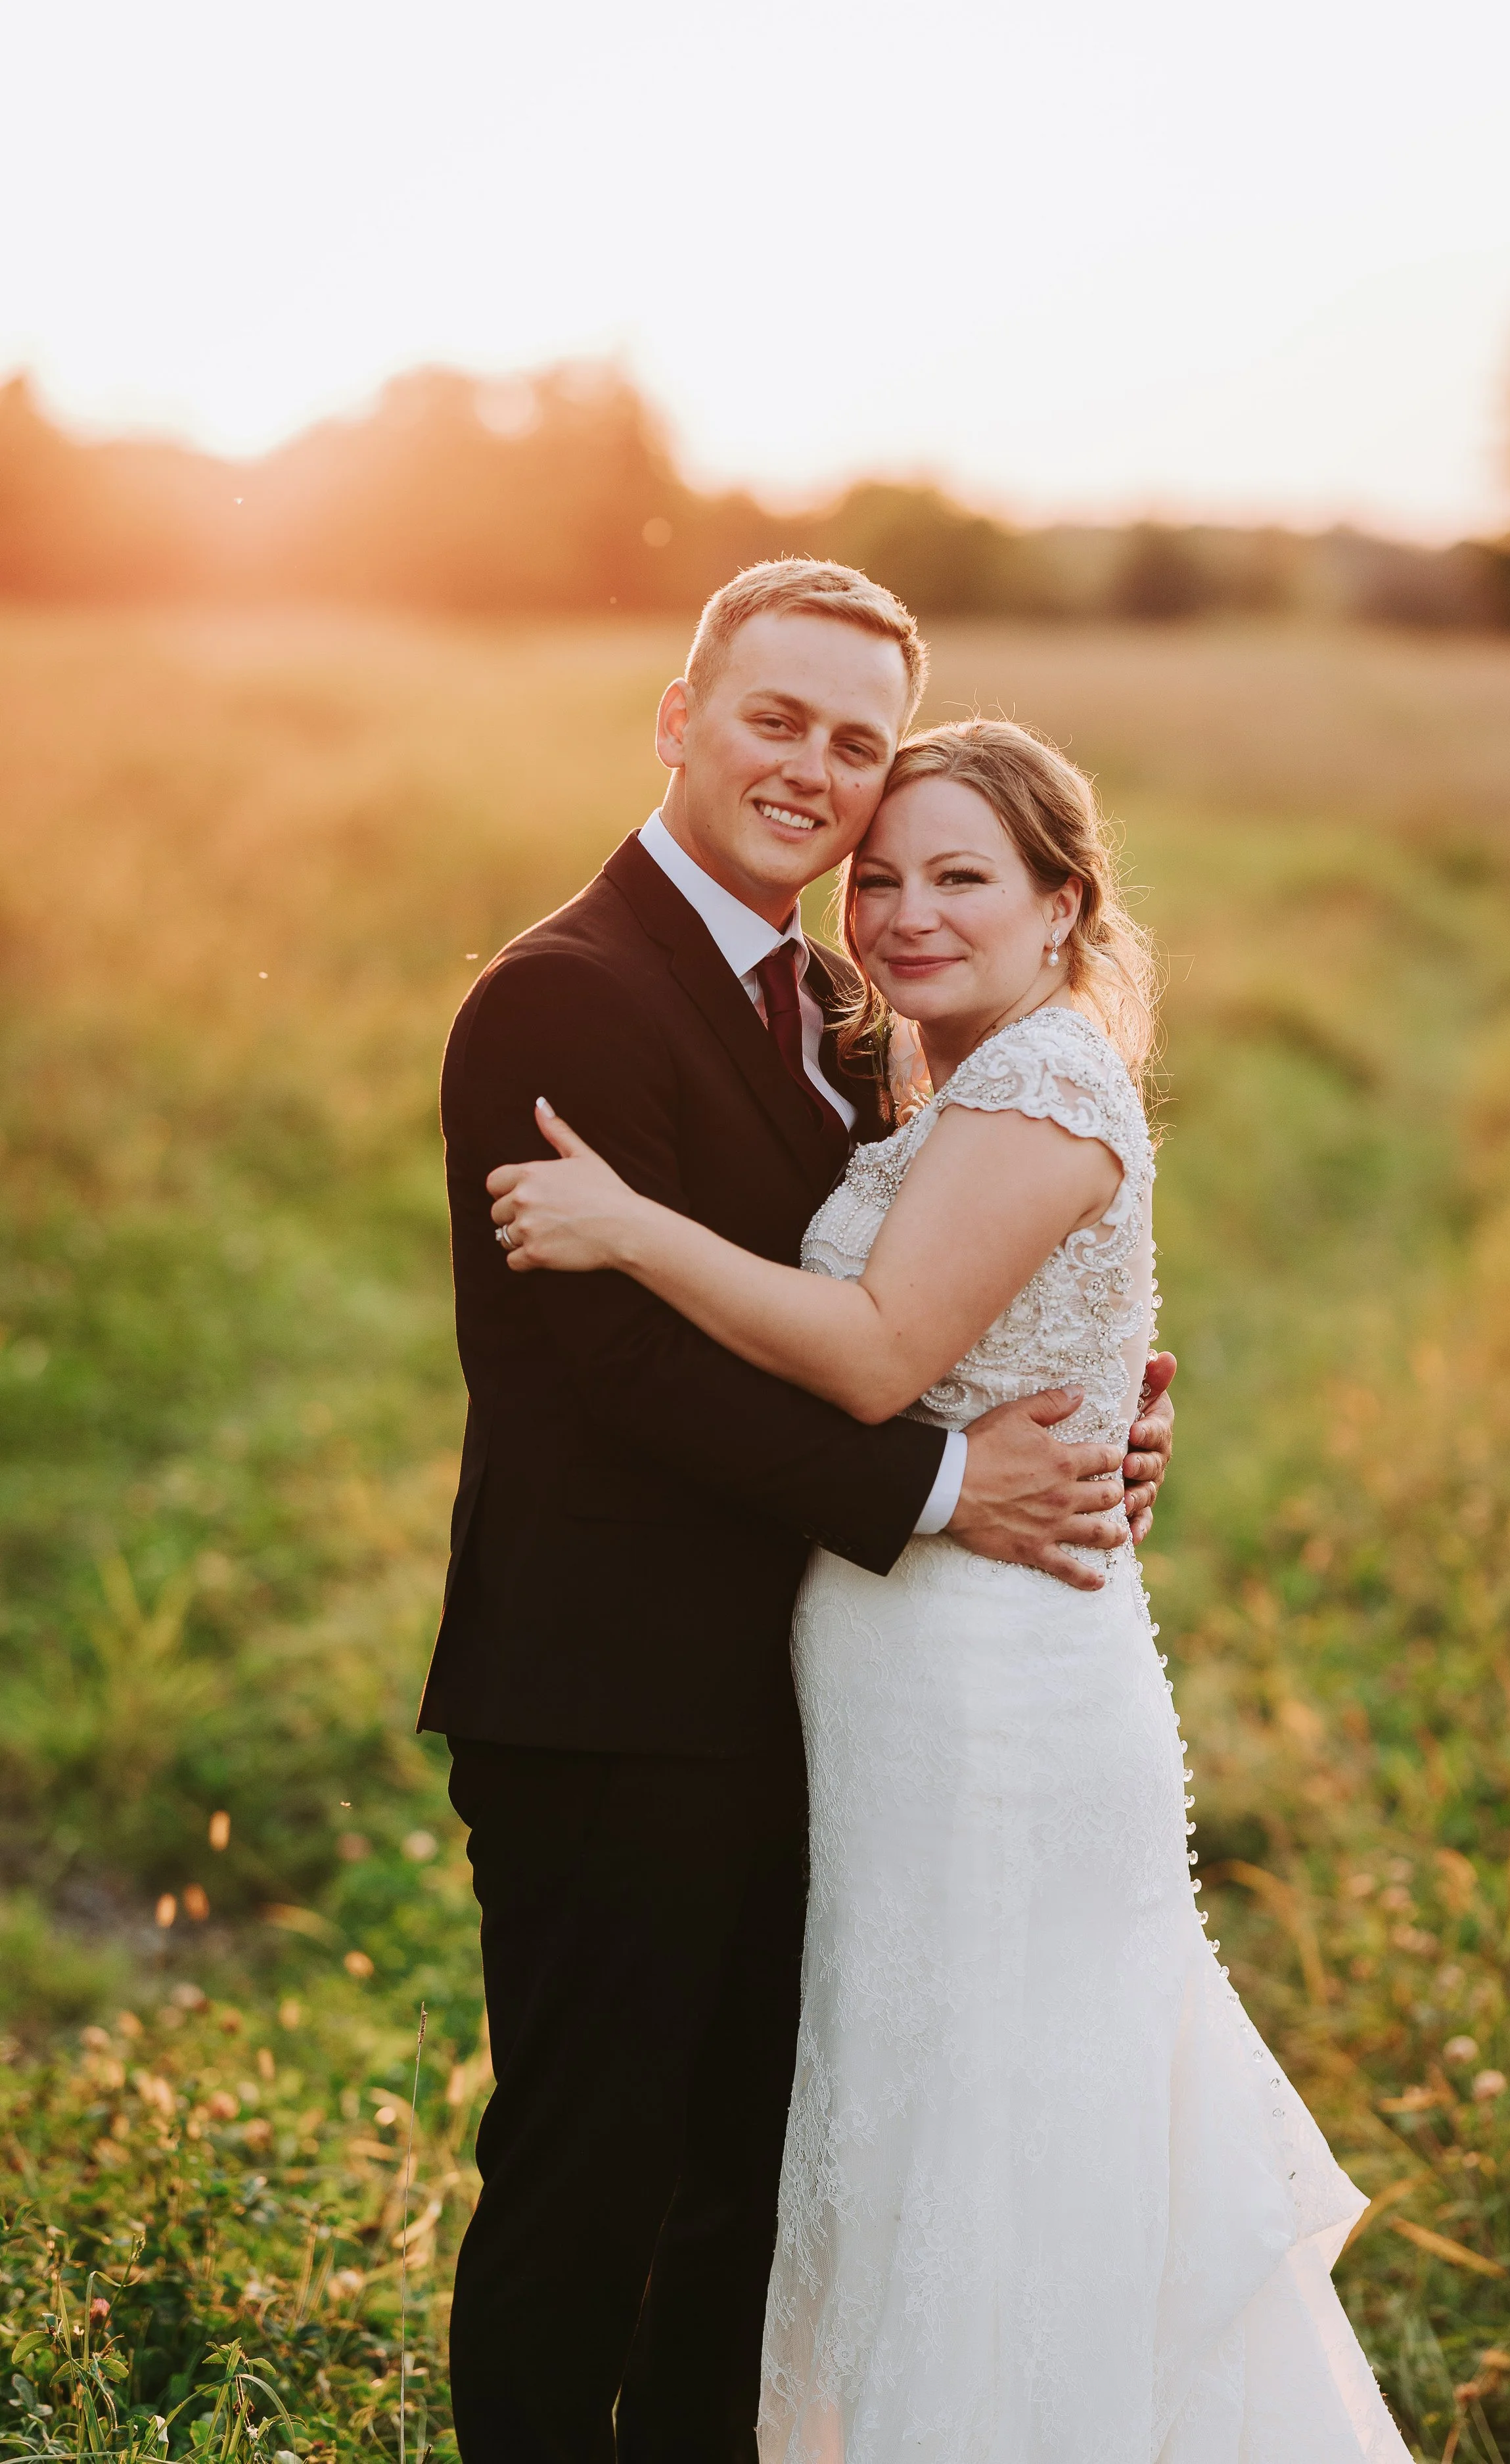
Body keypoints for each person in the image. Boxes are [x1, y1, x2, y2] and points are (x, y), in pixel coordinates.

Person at [491, 718, 1411, 2462]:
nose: (906, 912)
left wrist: (625, 1224)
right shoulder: (945, 1064)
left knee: (1001, 2126)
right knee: (925, 2113)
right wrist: (1122, 1380)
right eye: (883, 876)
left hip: (993, 1682)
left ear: (1065, 903)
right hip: (910, 1665)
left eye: (961, 877)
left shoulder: (1047, 1075)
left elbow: (877, 1350)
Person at [419, 560, 1177, 2463]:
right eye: (776, 717)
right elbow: (620, 1375)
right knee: (590, 2184)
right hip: (608, 1698)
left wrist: (1083, 1412)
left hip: (808, 1694)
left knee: (751, 2201)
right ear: (677, 717)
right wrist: (943, 1480)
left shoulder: (835, 997)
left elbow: (946, 1264)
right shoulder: (562, 999)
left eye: (855, 741)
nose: (814, 770)